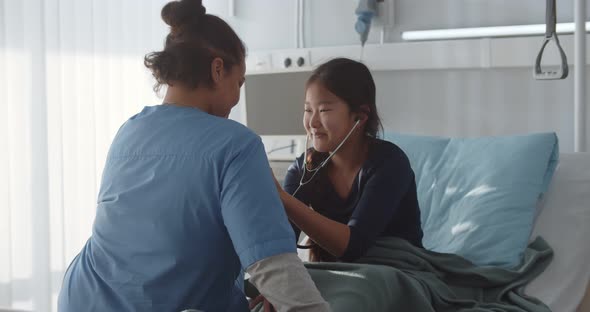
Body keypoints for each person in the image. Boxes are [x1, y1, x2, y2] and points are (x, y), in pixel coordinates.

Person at [57, 1, 330, 311]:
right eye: (238, 82)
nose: (237, 97)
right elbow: (274, 267)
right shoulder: (236, 144)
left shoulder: (129, 131)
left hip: (83, 297)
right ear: (217, 70)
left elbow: (168, 244)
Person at [276, 58, 424, 262]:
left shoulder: (390, 163)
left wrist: (285, 200)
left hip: (396, 268)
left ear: (360, 116)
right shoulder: (304, 168)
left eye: (324, 110)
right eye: (308, 110)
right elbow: (282, 240)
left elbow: (353, 246)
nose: (312, 122)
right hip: (338, 272)